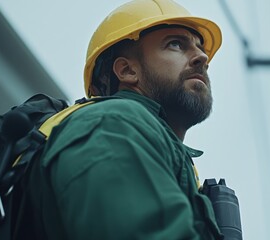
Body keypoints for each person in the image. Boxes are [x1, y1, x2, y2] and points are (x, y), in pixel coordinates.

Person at [27, 0, 223, 239]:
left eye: (200, 47)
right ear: (128, 71)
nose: (202, 57)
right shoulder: (113, 125)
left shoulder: (135, 136)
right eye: (175, 44)